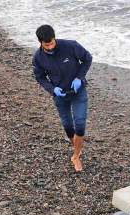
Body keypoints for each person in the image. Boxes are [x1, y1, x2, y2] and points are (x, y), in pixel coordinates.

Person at [32, 24, 92, 172]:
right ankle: (77, 146)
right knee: (68, 126)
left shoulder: (71, 46)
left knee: (80, 123)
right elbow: (40, 77)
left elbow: (87, 59)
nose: (51, 46)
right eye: (47, 44)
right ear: (40, 42)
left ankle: (76, 156)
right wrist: (53, 89)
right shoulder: (38, 58)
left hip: (78, 91)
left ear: (54, 38)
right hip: (60, 95)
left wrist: (79, 77)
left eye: (52, 42)